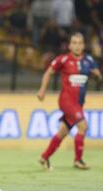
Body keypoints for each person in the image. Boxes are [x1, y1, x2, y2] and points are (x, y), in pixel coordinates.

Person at [37, 32, 102, 171]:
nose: (77, 46)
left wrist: (97, 76)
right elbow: (48, 72)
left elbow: (98, 74)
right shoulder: (63, 59)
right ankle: (78, 160)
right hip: (67, 101)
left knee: (63, 132)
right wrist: (42, 90)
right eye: (74, 43)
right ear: (69, 45)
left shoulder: (88, 60)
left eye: (80, 43)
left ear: (84, 45)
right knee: (83, 126)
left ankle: (44, 157)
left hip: (78, 104)